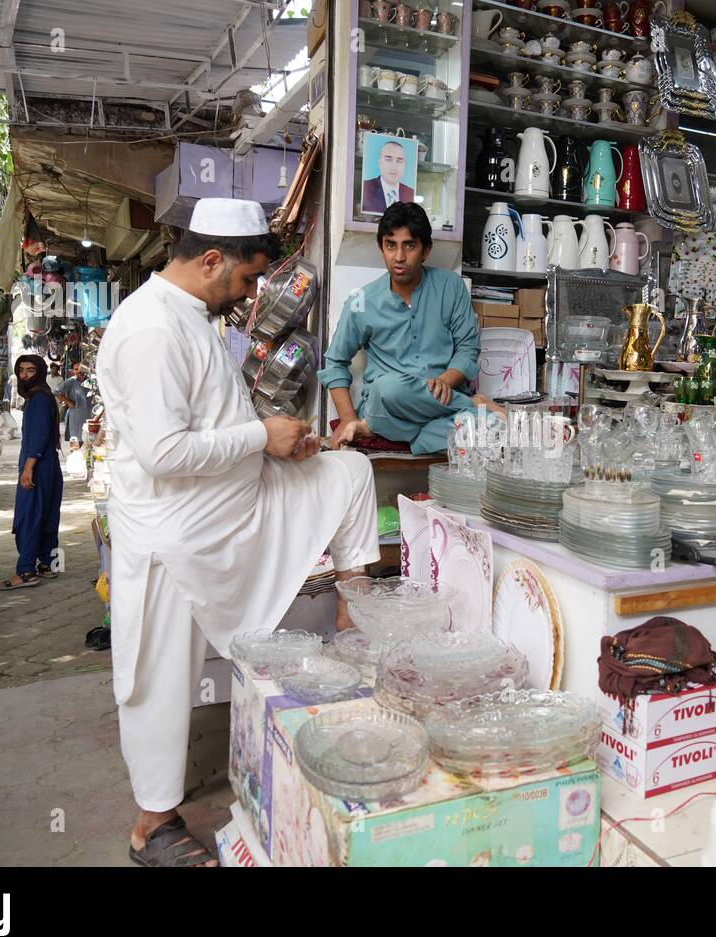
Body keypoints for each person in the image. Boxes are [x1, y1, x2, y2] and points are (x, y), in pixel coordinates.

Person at [97, 197, 379, 868]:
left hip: (239, 500)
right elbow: (165, 452)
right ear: (213, 259)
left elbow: (210, 423)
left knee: (349, 474)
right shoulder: (150, 330)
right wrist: (261, 435)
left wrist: (284, 446)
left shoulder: (194, 316)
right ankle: (152, 824)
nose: (253, 295)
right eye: (249, 280)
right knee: (159, 676)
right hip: (177, 529)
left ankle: (356, 618)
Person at [322, 202, 500, 455]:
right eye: (390, 245)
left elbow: (468, 348)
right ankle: (473, 404)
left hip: (441, 402)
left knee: (492, 430)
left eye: (410, 245)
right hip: (389, 406)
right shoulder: (362, 301)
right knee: (388, 389)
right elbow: (335, 363)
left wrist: (444, 381)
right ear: (381, 247)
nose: (399, 257)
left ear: (426, 250)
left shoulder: (451, 286)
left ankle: (411, 434)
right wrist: (348, 418)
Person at [0, 355, 62, 591]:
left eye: (30, 370)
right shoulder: (43, 396)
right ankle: (51, 564)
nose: (24, 375)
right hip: (49, 465)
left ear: (40, 372)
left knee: (29, 518)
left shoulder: (38, 400)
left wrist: (28, 468)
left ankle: (25, 571)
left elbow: (40, 436)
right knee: (48, 516)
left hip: (38, 466)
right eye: (21, 370)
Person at [361, 140, 414, 215]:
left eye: (399, 161)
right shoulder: (365, 188)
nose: (394, 167)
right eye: (388, 160)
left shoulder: (410, 192)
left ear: (405, 165)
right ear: (379, 163)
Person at [56, 363, 93, 450]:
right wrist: (68, 402)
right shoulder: (70, 381)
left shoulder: (90, 381)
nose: (79, 371)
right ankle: (74, 458)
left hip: (88, 415)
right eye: (76, 369)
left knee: (89, 441)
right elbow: (57, 392)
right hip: (75, 415)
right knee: (75, 441)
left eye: (80, 369)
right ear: (73, 371)